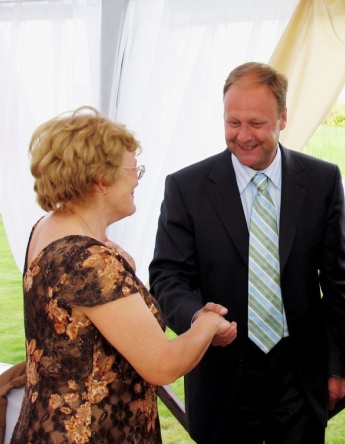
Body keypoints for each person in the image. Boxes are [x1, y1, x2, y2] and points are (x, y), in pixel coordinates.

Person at [149, 62, 345, 444]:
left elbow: (337, 282)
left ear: (283, 118)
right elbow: (167, 277)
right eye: (233, 123)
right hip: (220, 379)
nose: (243, 136)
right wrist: (197, 318)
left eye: (256, 124)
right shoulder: (187, 187)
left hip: (299, 378)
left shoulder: (321, 181)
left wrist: (339, 366)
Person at [11, 107, 232, 444]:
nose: (136, 180)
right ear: (102, 179)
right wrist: (208, 323)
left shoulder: (48, 229)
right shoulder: (88, 261)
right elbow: (162, 365)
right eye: (133, 170)